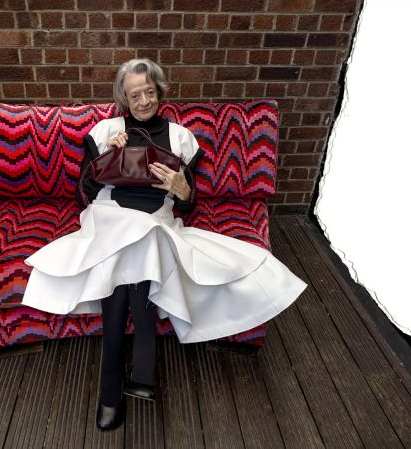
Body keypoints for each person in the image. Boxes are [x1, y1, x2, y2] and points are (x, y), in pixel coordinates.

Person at [21, 58, 307, 430]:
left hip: (157, 218)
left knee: (146, 237)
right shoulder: (105, 131)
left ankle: (111, 388)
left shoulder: (180, 138)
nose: (143, 101)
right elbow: (82, 196)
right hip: (108, 216)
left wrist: (182, 189)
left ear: (159, 92)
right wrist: (105, 158)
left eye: (149, 92)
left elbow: (187, 205)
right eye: (134, 95)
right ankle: (142, 371)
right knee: (135, 238)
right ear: (124, 99)